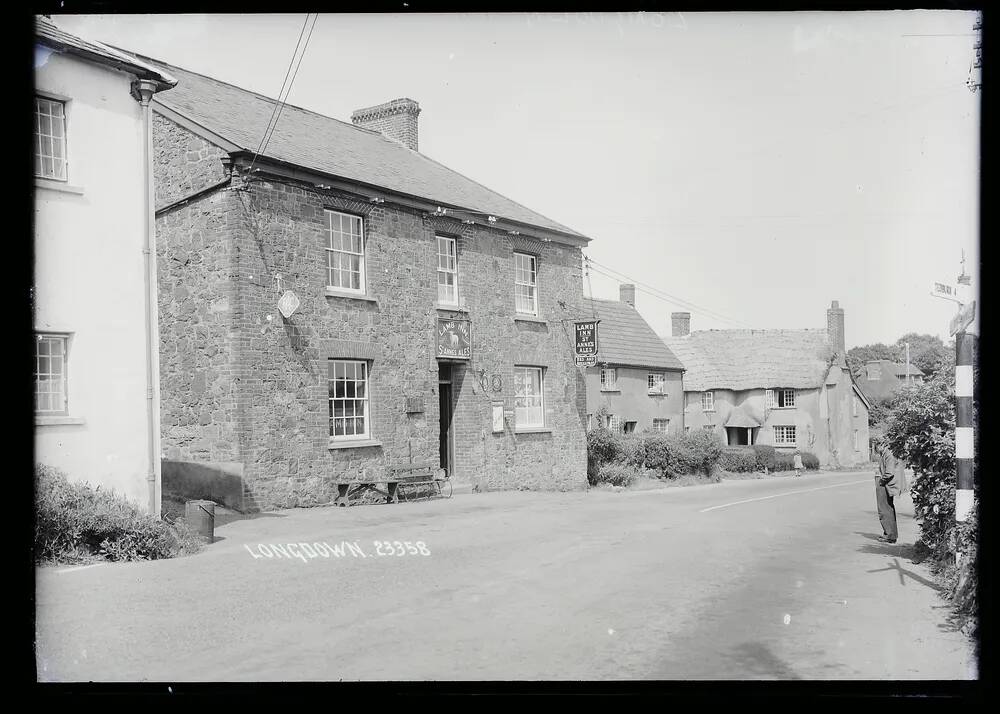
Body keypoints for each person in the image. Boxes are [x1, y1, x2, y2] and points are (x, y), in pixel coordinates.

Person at [873, 437, 907, 544]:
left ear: (881, 445)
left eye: (876, 447)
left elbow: (889, 472)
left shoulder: (888, 454)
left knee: (884, 509)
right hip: (886, 484)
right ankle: (891, 534)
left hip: (885, 484)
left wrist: (881, 481)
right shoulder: (887, 453)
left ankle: (889, 535)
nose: (876, 449)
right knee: (888, 508)